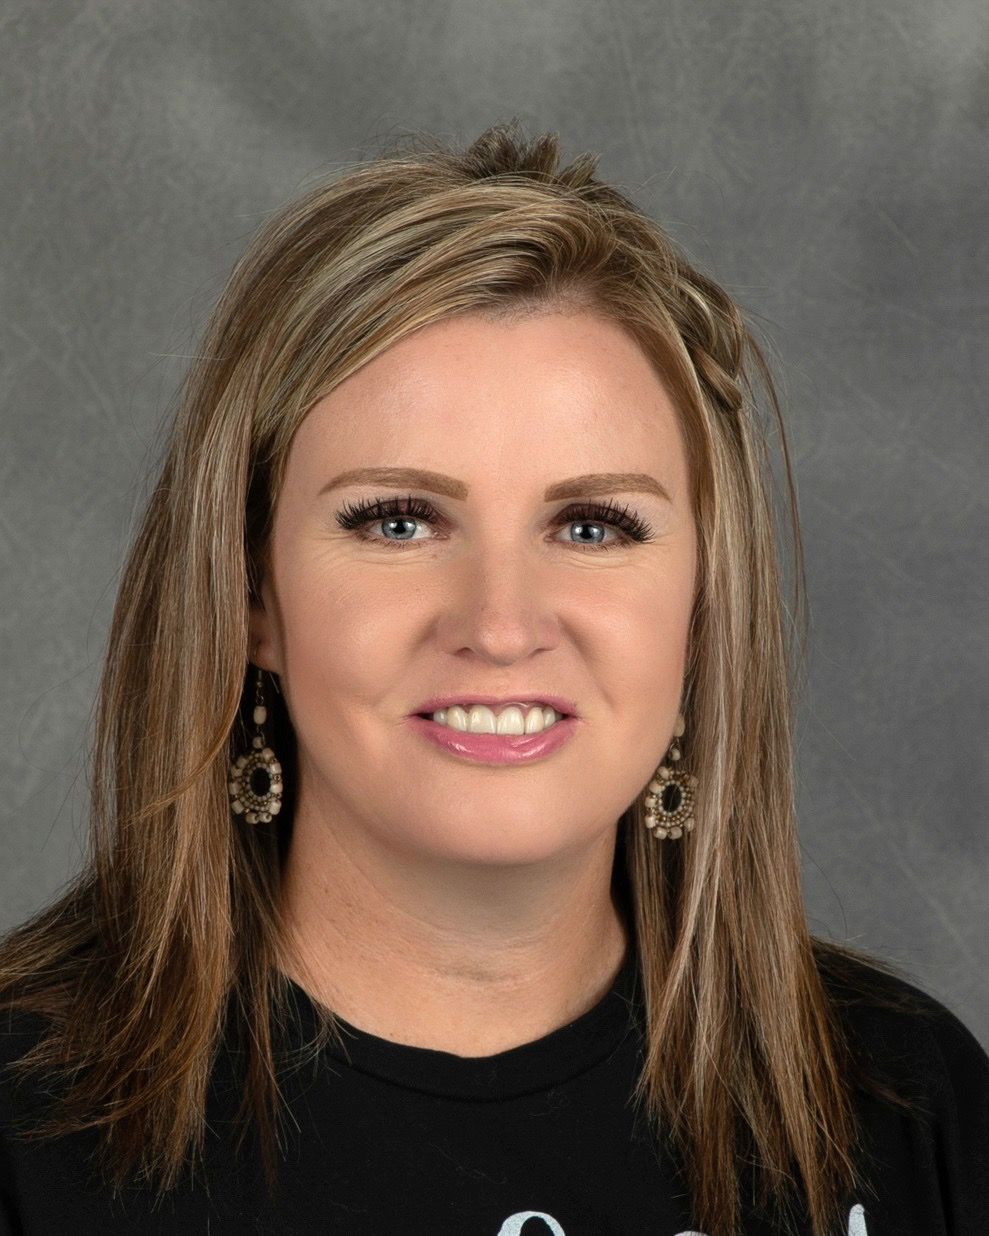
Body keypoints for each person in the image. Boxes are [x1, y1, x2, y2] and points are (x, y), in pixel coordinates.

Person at [0, 120, 986, 1236]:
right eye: (398, 520)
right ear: (250, 597)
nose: (501, 624)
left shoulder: (909, 1113)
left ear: (705, 611)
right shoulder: (23, 1134)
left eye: (594, 524)